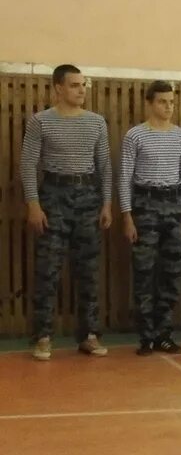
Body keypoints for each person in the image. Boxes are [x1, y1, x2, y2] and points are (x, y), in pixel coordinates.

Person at [21, 63, 112, 361]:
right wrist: (33, 204)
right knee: (48, 270)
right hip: (53, 197)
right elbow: (28, 164)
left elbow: (105, 167)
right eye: (74, 85)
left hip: (88, 196)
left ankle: (89, 334)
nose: (81, 90)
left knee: (88, 270)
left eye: (83, 85)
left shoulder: (97, 122)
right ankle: (43, 336)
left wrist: (106, 203)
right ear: (58, 88)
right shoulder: (41, 121)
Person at [119, 80, 181, 355]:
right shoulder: (135, 135)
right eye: (162, 102)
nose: (168, 107)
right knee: (144, 272)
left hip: (174, 206)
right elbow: (125, 178)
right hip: (145, 206)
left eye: (171, 102)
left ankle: (164, 332)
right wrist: (127, 216)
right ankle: (146, 335)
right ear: (149, 103)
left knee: (172, 273)